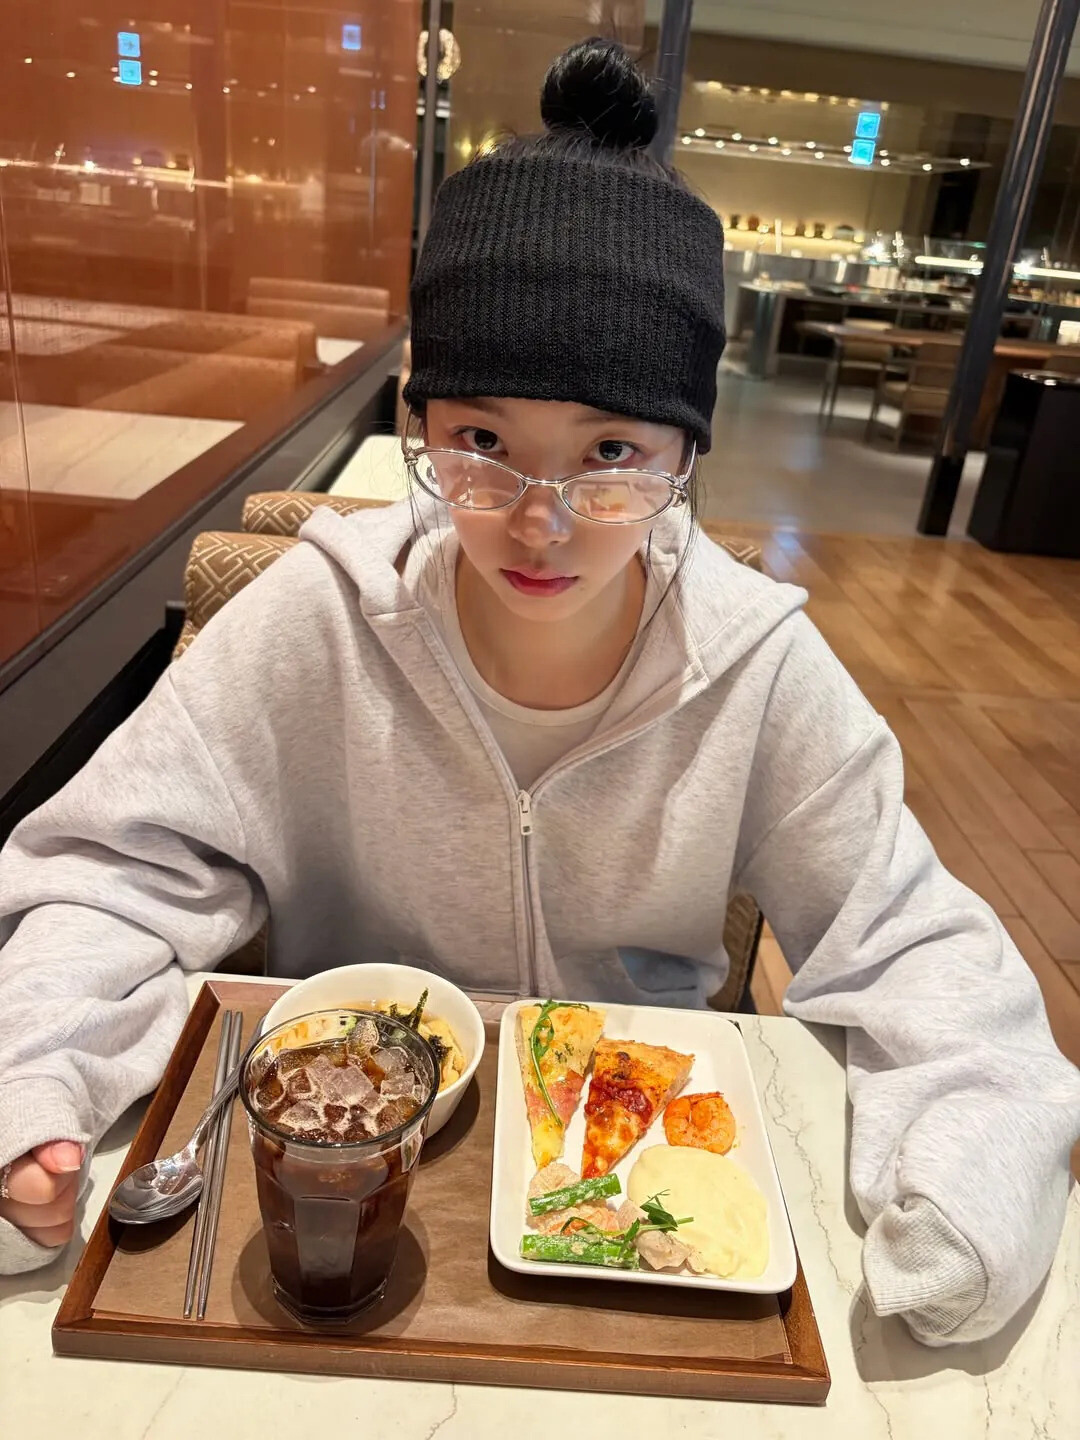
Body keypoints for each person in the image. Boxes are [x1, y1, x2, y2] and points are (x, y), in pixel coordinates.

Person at [0, 39, 1077, 1348]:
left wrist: (959, 1194)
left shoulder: (754, 663)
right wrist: (30, 1088)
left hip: (648, 1176)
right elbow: (112, 869)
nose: (539, 521)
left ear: (686, 453)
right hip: (351, 1157)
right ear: (421, 422)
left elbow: (915, 946)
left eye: (611, 451)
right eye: (482, 443)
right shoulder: (316, 619)